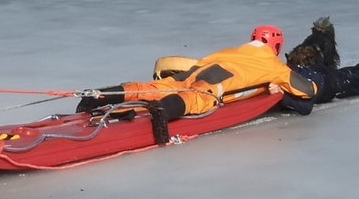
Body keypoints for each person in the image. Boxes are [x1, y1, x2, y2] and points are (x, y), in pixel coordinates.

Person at [76, 25, 318, 121]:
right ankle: (163, 111)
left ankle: (103, 95)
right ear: (276, 46)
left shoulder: (231, 51)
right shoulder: (275, 67)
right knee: (197, 98)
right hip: (216, 84)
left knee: (156, 88)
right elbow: (306, 90)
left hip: (194, 72)